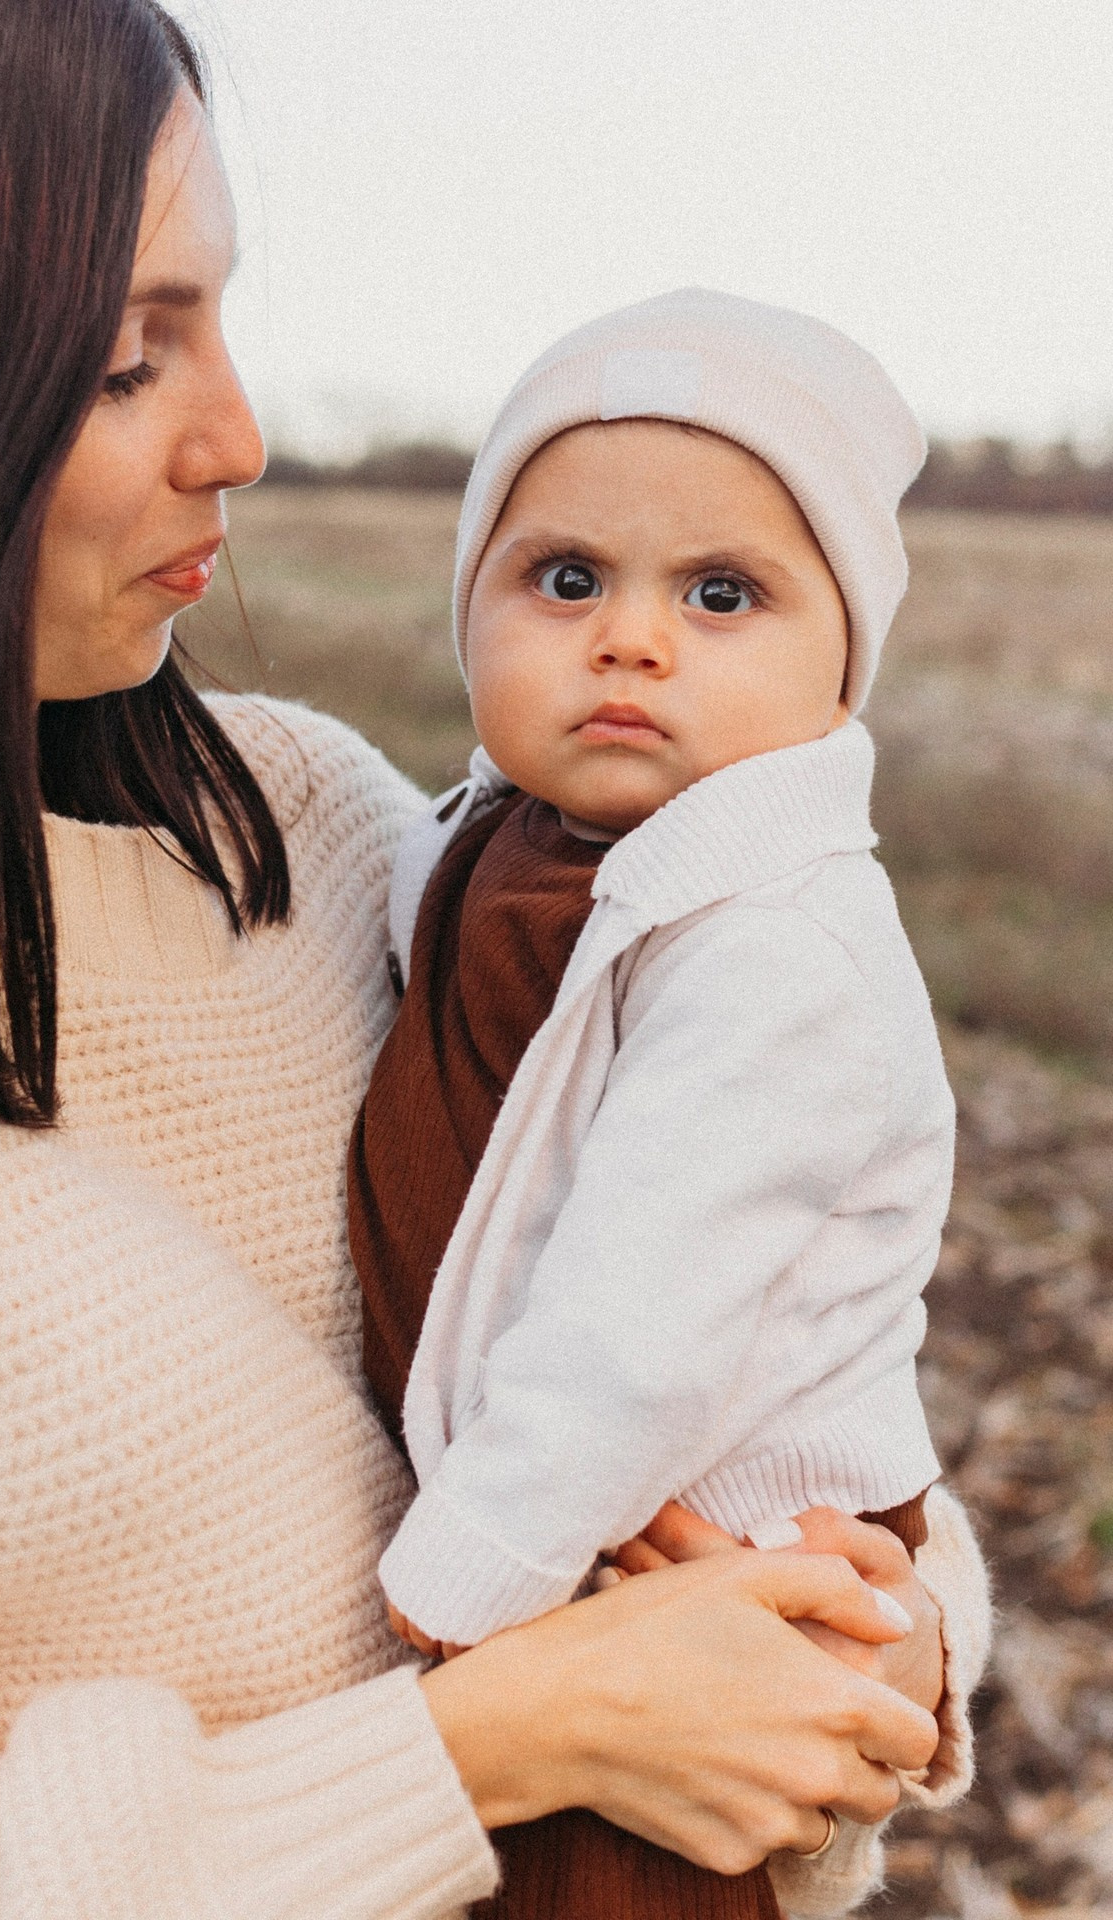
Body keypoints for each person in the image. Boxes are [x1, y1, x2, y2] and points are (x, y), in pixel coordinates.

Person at [0, 2, 987, 1916]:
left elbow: (768, 1327)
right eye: (126, 361)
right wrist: (503, 1741)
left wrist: (888, 1636)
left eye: (222, 317)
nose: (242, 436)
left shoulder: (342, 841)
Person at [349, 292, 980, 1915]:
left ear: (843, 669)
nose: (631, 639)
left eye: (722, 593)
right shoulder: (496, 843)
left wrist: (477, 1574)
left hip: (708, 1539)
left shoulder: (777, 951)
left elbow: (642, 1317)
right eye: (566, 579)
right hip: (589, 1519)